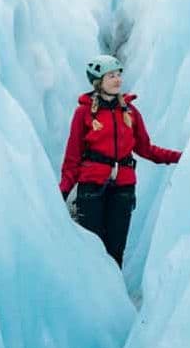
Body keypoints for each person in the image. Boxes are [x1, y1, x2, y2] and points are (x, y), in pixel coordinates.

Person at [59, 54, 182, 267]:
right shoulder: (84, 113)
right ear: (99, 82)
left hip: (123, 188)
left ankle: (111, 296)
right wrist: (62, 191)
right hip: (91, 187)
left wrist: (180, 157)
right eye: (111, 76)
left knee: (116, 249)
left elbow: (146, 149)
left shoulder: (131, 112)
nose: (118, 80)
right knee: (92, 248)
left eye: (118, 75)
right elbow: (73, 157)